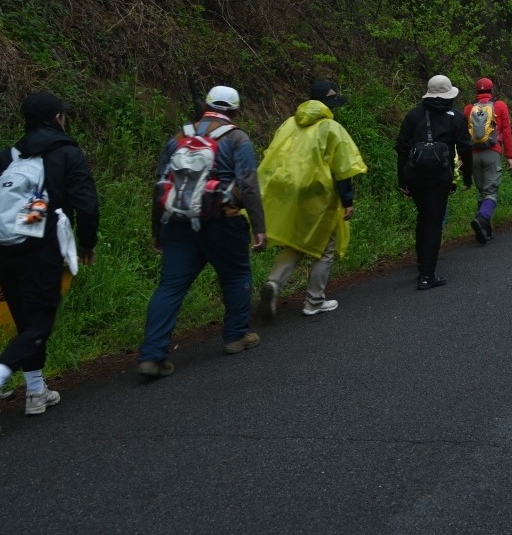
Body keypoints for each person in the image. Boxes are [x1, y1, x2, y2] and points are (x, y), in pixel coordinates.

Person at [139, 86, 267, 378]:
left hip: (178, 222)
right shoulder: (237, 138)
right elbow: (247, 185)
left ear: (206, 106)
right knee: (235, 275)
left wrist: (158, 229)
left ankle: (152, 356)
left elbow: (160, 185)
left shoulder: (178, 138)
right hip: (223, 222)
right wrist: (259, 227)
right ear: (235, 111)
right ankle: (236, 336)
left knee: (170, 287)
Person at [0, 92, 99, 423]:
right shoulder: (67, 153)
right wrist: (87, 243)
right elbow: (86, 203)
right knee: (39, 323)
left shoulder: (9, 156)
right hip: (42, 250)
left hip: (7, 249)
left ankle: (36, 391)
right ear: (57, 118)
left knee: (26, 322)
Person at [257, 80, 367, 320]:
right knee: (324, 249)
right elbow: (342, 168)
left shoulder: (289, 124)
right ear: (327, 104)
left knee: (296, 243)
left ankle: (274, 283)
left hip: (290, 192)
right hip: (320, 194)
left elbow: (275, 155)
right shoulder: (330, 127)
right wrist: (347, 200)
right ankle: (314, 301)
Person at [396, 75, 474, 289]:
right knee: (433, 221)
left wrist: (402, 179)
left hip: (414, 174)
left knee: (424, 217)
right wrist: (467, 177)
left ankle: (422, 262)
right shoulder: (455, 117)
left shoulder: (414, 114)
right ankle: (426, 275)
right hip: (440, 176)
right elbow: (466, 148)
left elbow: (402, 147)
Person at [464, 77, 512, 244]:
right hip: (492, 152)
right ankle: (482, 218)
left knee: (482, 191)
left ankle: (486, 230)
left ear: (476, 91)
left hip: (473, 154)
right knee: (491, 192)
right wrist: (509, 156)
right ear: (492, 90)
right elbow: (506, 131)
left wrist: (463, 159)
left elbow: (464, 134)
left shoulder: (468, 108)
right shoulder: (499, 106)